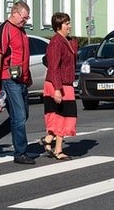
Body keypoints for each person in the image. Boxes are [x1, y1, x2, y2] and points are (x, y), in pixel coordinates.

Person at [0, 1, 35, 165]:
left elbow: (23, 56)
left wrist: (28, 77)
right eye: (24, 17)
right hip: (9, 79)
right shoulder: (4, 29)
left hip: (21, 80)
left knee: (22, 115)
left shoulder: (21, 30)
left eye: (27, 18)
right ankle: (20, 152)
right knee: (19, 116)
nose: (25, 21)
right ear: (15, 13)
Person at [39, 12, 78, 161]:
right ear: (58, 26)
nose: (69, 26)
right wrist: (57, 89)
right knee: (61, 117)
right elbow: (53, 67)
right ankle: (58, 149)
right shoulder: (56, 43)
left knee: (65, 117)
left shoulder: (68, 41)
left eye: (69, 23)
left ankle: (48, 140)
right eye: (66, 23)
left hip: (66, 84)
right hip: (57, 84)